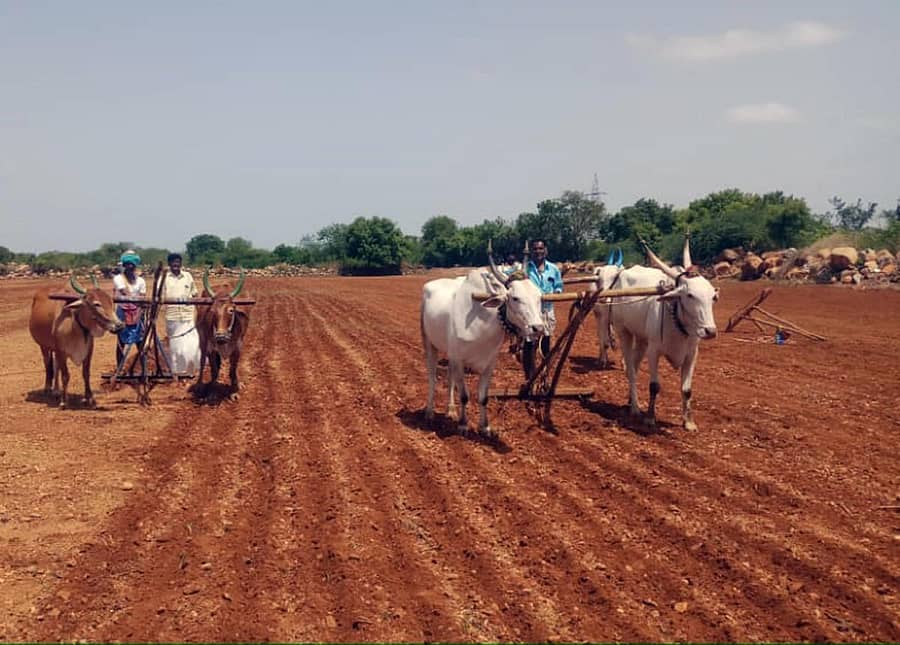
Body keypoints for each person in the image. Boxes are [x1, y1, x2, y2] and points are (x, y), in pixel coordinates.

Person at [522, 239, 563, 377]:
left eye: (540, 248)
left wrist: (556, 293)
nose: (538, 251)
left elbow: (558, 286)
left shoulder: (553, 269)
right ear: (532, 252)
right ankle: (530, 375)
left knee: (546, 341)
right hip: (531, 311)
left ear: (545, 250)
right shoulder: (525, 268)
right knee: (529, 343)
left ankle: (545, 372)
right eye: (535, 249)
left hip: (547, 310)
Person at [161, 253, 200, 376]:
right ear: (169, 264)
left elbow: (194, 293)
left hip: (187, 315)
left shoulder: (188, 276)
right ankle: (176, 371)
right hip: (172, 316)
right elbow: (160, 296)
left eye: (178, 262)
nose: (176, 265)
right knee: (175, 344)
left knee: (190, 343)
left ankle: (190, 370)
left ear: (181, 264)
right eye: (173, 262)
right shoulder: (165, 278)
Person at [112, 250, 147, 367]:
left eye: (132, 264)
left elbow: (143, 297)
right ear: (124, 265)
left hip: (137, 313)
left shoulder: (141, 281)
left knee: (140, 342)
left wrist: (139, 311)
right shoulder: (118, 278)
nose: (130, 267)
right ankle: (120, 369)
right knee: (121, 342)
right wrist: (138, 302)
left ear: (135, 265)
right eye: (127, 264)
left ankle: (144, 370)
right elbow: (124, 292)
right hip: (123, 313)